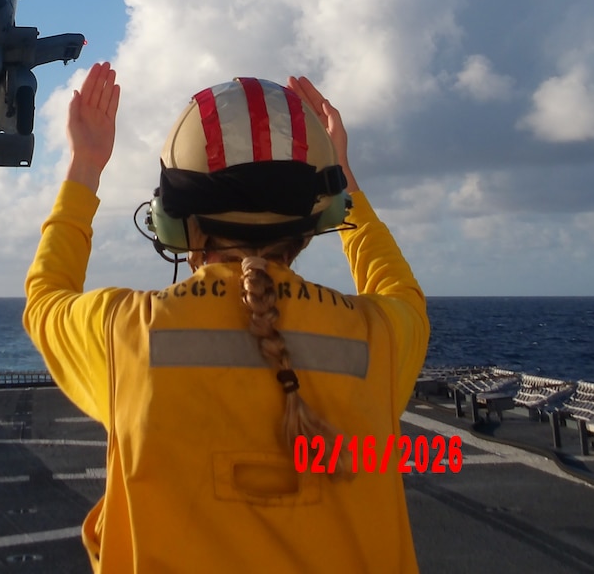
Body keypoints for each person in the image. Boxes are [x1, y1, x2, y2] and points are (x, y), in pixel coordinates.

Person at [23, 62, 429, 573]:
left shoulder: (126, 332)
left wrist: (86, 163)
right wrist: (346, 179)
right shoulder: (380, 340)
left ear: (176, 223)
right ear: (320, 218)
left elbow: (45, 298)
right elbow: (401, 294)